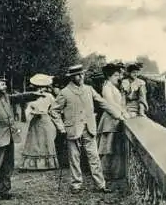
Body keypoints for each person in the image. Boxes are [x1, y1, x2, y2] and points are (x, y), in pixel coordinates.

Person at [49, 64, 126, 194]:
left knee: (94, 157)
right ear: (72, 77)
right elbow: (53, 111)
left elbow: (103, 103)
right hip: (72, 130)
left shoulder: (89, 89)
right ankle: (76, 185)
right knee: (74, 158)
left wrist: (119, 115)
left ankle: (100, 184)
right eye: (78, 75)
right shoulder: (65, 92)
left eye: (82, 74)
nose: (81, 77)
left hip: (89, 129)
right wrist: (61, 127)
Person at [0, 75, 44, 205]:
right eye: (2, 84)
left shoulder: (5, 97)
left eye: (5, 84)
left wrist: (34, 94)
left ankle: (5, 191)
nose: (5, 86)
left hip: (9, 137)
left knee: (8, 165)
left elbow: (19, 97)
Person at [97, 64, 130, 180]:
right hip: (110, 119)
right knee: (108, 147)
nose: (118, 77)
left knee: (113, 146)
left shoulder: (113, 86)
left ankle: (114, 173)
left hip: (115, 118)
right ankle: (105, 174)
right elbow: (110, 103)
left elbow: (120, 102)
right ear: (109, 76)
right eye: (116, 75)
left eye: (119, 74)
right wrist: (123, 113)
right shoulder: (107, 87)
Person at [20, 74, 59, 171]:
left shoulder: (49, 96)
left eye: (42, 86)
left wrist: (49, 112)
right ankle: (36, 164)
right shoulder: (33, 96)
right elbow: (28, 110)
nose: (41, 89)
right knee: (35, 141)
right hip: (36, 120)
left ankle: (47, 164)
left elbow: (55, 107)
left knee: (46, 140)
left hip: (45, 118)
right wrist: (31, 113)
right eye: (39, 86)